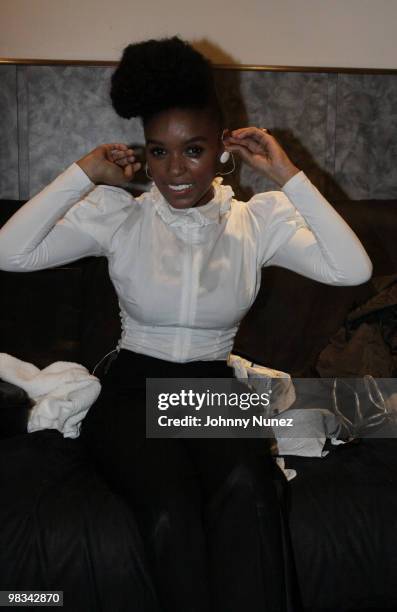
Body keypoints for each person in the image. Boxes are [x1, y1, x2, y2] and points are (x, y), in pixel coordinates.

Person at [0, 37, 372, 612]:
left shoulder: (257, 223)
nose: (174, 170)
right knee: (171, 508)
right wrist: (82, 173)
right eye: (158, 152)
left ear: (224, 150)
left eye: (193, 150)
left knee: (252, 494)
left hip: (210, 389)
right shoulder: (120, 216)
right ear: (144, 155)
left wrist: (288, 174)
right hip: (130, 388)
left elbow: (353, 268)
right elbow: (10, 251)